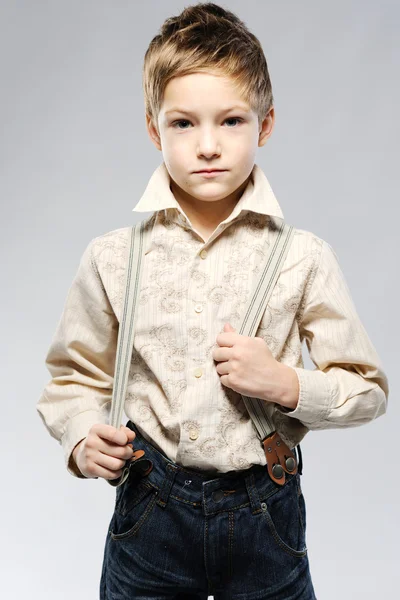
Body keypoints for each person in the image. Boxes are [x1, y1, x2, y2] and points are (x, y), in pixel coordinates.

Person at [36, 2, 389, 598]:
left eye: (230, 121)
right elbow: (72, 376)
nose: (207, 146)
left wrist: (286, 383)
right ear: (154, 128)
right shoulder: (112, 257)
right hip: (149, 509)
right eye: (183, 124)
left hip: (264, 512)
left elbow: (369, 392)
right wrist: (81, 435)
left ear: (266, 125)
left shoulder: (304, 256)